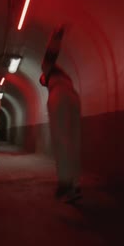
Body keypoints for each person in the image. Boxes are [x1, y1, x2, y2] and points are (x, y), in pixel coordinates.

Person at [39, 25, 83, 203]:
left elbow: (50, 55)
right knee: (74, 140)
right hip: (74, 96)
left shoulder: (48, 72)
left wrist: (55, 36)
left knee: (61, 140)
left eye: (42, 80)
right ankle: (74, 184)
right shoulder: (66, 76)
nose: (42, 80)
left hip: (60, 96)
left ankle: (65, 182)